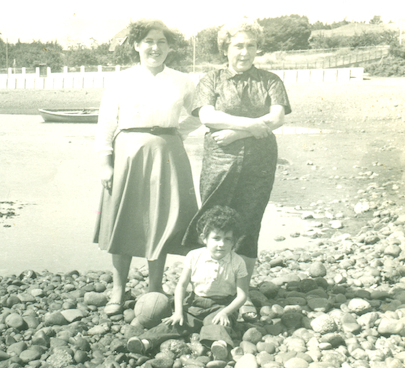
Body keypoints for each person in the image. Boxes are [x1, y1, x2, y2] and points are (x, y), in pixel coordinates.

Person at [182, 17, 291, 321]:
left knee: (249, 223)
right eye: (238, 45)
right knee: (211, 221)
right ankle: (204, 289)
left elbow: (277, 118)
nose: (244, 52)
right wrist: (252, 125)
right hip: (219, 160)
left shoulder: (270, 80)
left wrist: (238, 133)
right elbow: (207, 115)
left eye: (251, 46)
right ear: (225, 48)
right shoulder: (211, 79)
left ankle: (239, 294)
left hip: (259, 161)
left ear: (258, 48)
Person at [94, 19, 201, 315]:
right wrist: (105, 162)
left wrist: (177, 132)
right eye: (149, 42)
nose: (155, 48)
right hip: (127, 152)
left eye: (162, 42)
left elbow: (197, 114)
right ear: (136, 45)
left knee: (161, 220)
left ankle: (154, 288)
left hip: (168, 152)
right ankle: (118, 289)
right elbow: (106, 123)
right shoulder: (120, 80)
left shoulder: (182, 80)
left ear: (170, 47)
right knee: (123, 219)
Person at [127, 206, 248, 360]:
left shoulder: (237, 262)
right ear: (204, 238)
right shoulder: (194, 256)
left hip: (222, 305)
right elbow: (182, 286)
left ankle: (219, 345)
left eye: (227, 239)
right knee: (177, 322)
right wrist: (178, 311)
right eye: (216, 238)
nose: (221, 244)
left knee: (216, 323)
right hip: (194, 303)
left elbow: (242, 295)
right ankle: (145, 342)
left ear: (234, 242)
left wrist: (226, 312)